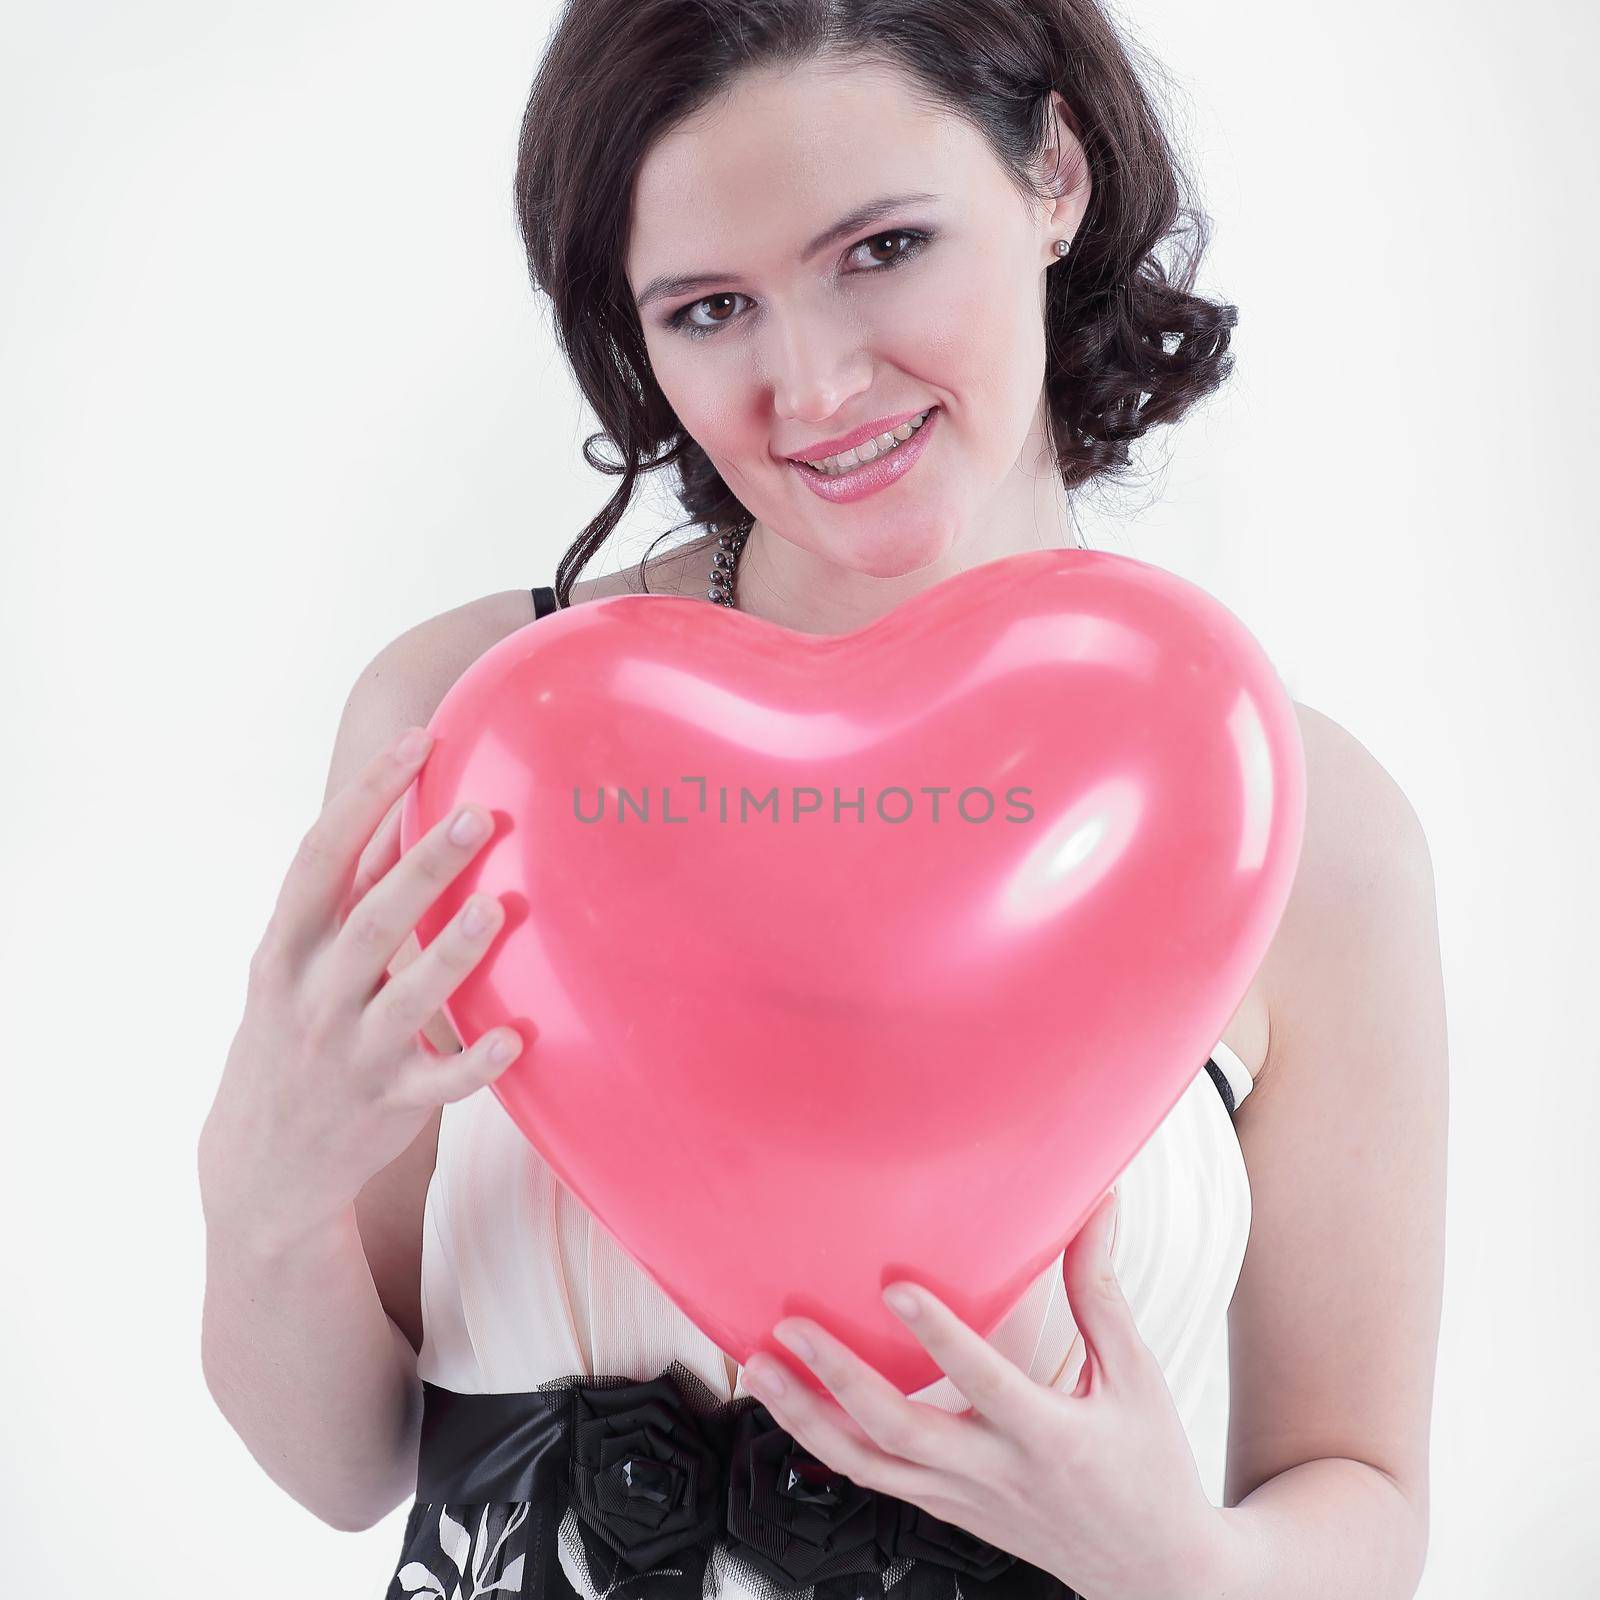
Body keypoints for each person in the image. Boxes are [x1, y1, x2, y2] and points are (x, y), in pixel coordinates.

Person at [198, 2, 1448, 1596]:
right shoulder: (475, 738)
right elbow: (346, 1464)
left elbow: (1362, 1494)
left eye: (882, 249)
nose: (816, 386)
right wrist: (256, 1195)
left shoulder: (1297, 821)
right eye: (713, 305)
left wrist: (1180, 1565)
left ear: (1053, 171)